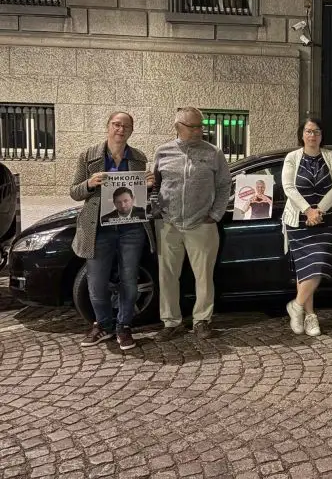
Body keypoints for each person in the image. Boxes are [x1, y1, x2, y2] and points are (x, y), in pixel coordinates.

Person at [71, 111, 155, 351]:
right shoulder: (88, 156)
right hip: (99, 228)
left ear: (131, 130)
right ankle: (103, 325)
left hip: (131, 228)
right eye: (116, 124)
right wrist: (89, 183)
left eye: (126, 126)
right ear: (108, 126)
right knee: (96, 282)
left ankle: (124, 326)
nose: (120, 129)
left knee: (129, 279)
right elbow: (74, 192)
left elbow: (139, 195)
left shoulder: (138, 158)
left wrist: (148, 186)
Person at [152, 107, 231, 341]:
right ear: (178, 127)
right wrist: (157, 208)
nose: (199, 131)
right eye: (193, 127)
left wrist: (215, 214)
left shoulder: (214, 153)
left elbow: (224, 185)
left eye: (200, 126)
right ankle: (171, 322)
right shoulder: (162, 152)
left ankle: (202, 321)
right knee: (167, 276)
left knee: (204, 276)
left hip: (202, 224)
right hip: (169, 224)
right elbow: (155, 185)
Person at [282, 117, 332, 336]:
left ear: (321, 135)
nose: (312, 135)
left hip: (325, 220)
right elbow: (288, 187)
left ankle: (296, 306)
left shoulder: (331, 156)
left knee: (317, 264)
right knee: (305, 268)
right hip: (298, 220)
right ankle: (309, 316)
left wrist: (319, 211)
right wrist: (308, 211)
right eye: (308, 131)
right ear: (302, 134)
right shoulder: (292, 158)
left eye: (316, 131)